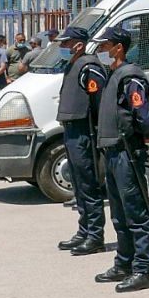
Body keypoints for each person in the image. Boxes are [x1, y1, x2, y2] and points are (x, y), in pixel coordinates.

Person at [91, 25, 149, 292]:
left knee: (136, 213)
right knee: (119, 213)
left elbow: (140, 112)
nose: (101, 51)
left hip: (127, 152)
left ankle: (143, 270)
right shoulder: (113, 75)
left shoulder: (130, 77)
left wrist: (146, 134)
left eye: (105, 46)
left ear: (119, 48)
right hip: (112, 151)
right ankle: (124, 263)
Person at [54, 26, 109, 257]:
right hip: (72, 129)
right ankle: (84, 230)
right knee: (78, 184)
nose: (62, 48)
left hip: (84, 130)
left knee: (88, 184)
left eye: (66, 44)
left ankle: (95, 236)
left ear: (78, 44)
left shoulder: (89, 66)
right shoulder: (74, 64)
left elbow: (99, 101)